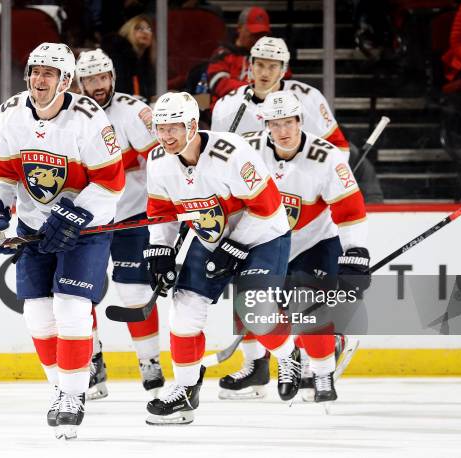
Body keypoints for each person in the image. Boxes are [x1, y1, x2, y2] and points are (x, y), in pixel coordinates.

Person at [0, 42, 124, 440]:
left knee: (72, 307)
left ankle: (74, 395)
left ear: (66, 80)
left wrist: (74, 213)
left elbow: (112, 182)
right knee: (36, 315)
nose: (39, 80)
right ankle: (60, 388)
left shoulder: (89, 117)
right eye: (34, 71)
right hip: (33, 224)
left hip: (88, 228)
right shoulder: (10, 113)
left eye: (49, 73)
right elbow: (1, 171)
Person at [143, 91, 293, 425]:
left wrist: (234, 245)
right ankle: (184, 390)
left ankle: (288, 355)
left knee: (254, 310)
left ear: (193, 125)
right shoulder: (157, 162)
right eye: (160, 127)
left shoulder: (232, 152)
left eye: (174, 127)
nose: (166, 135)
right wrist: (160, 251)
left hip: (264, 232)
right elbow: (162, 213)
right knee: (183, 311)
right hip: (213, 236)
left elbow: (267, 209)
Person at [219, 91, 370, 403]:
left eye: (288, 122)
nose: (283, 131)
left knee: (307, 304)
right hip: (267, 239)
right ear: (266, 125)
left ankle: (323, 372)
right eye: (275, 124)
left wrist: (355, 252)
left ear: (301, 121)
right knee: (253, 302)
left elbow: (351, 210)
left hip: (314, 241)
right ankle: (266, 364)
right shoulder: (248, 149)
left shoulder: (327, 157)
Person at [74, 48, 162, 399]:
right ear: (80, 83)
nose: (98, 85)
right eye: (90, 79)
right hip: (89, 218)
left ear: (112, 77)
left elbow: (160, 160)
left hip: (130, 217)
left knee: (135, 292)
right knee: (79, 295)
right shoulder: (71, 115)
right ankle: (92, 366)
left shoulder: (134, 111)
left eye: (102, 77)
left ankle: (150, 363)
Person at [211, 36, 350, 156]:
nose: (265, 73)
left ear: (283, 69)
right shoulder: (226, 105)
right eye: (260, 64)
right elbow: (215, 157)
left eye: (272, 66)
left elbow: (338, 147)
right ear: (251, 65)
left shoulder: (308, 99)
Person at [207, 6, 271, 107]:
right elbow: (218, 83)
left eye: (262, 34)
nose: (258, 39)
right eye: (253, 34)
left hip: (260, 111)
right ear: (239, 28)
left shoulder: (271, 56)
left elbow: (282, 82)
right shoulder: (223, 53)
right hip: (227, 111)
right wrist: (251, 89)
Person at [102, 15, 155, 101]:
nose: (145, 32)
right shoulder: (117, 56)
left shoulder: (146, 63)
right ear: (128, 31)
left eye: (149, 29)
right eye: (139, 28)